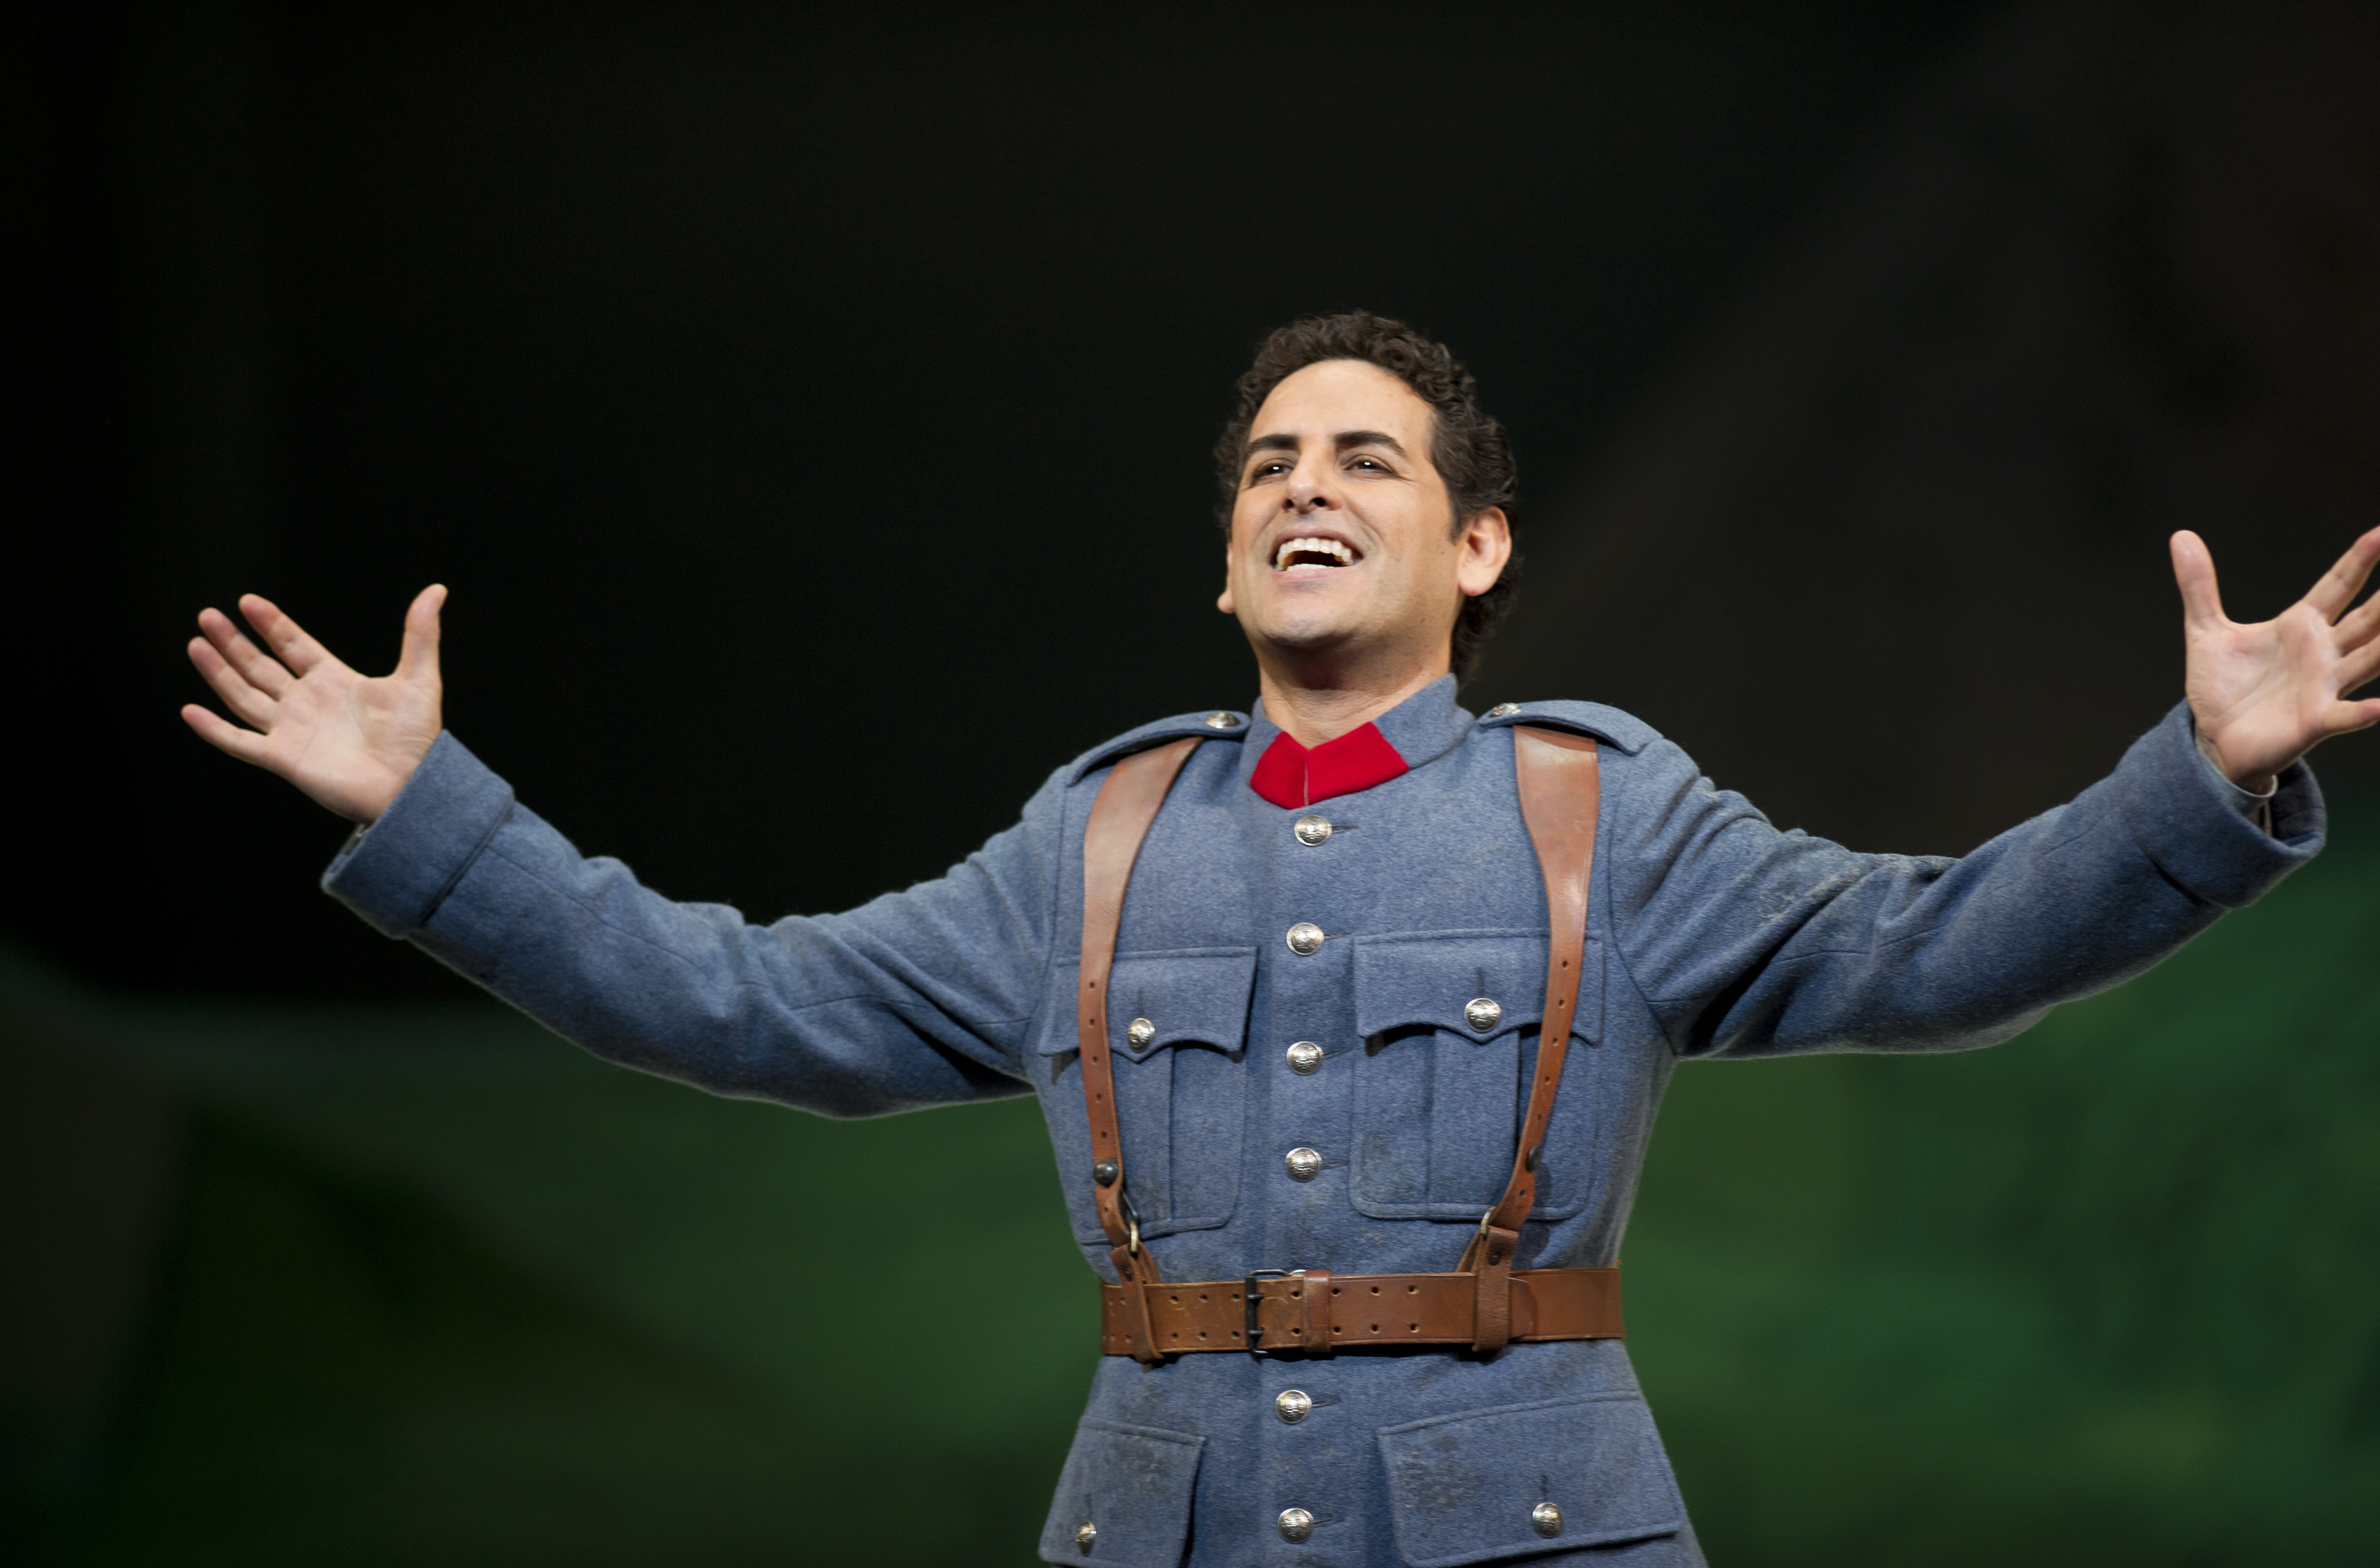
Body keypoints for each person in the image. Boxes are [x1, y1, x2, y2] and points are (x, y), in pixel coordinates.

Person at [182, 313, 2378, 1567]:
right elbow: (740, 998)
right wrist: (430, 815)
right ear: (1230, 563)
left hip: (1527, 1528)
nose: (1304, 487)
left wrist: (2195, 781)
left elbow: (1936, 946)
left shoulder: (1603, 814)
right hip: (1167, 1523)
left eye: (1367, 460)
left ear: (1481, 540)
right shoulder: (1093, 844)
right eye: (1267, 468)